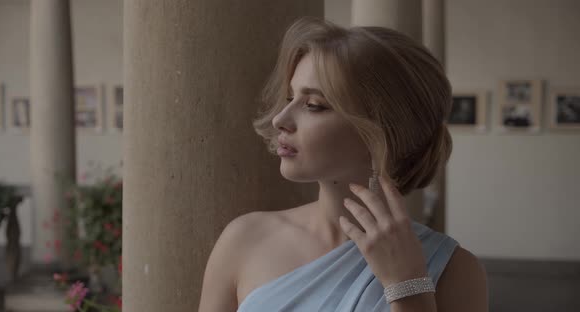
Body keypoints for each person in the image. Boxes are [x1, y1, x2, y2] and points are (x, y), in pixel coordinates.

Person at [198, 17, 488, 312]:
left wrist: (406, 284)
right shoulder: (245, 238)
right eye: (289, 98)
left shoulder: (454, 269)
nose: (279, 119)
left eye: (314, 105)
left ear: (384, 130)